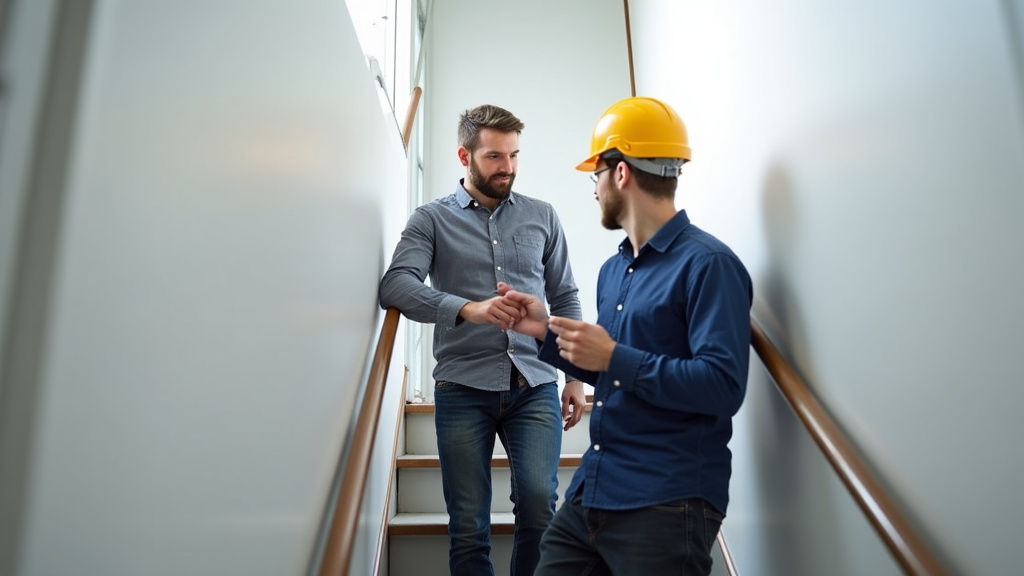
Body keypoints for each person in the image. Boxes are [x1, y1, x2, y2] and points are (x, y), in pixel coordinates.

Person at [499, 96, 753, 576]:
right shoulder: (612, 270)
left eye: (595, 175)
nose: (593, 190)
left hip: (666, 501)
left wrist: (615, 356)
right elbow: (608, 365)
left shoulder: (709, 265)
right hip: (594, 492)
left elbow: (722, 385)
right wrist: (542, 330)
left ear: (620, 174)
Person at [378, 104, 587, 576]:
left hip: (534, 386)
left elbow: (566, 297)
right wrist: (466, 309)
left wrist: (574, 377)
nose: (507, 167)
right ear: (464, 155)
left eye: (514, 155)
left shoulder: (542, 216)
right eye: (495, 156)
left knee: (538, 505)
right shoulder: (431, 219)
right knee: (468, 525)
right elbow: (396, 285)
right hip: (462, 389)